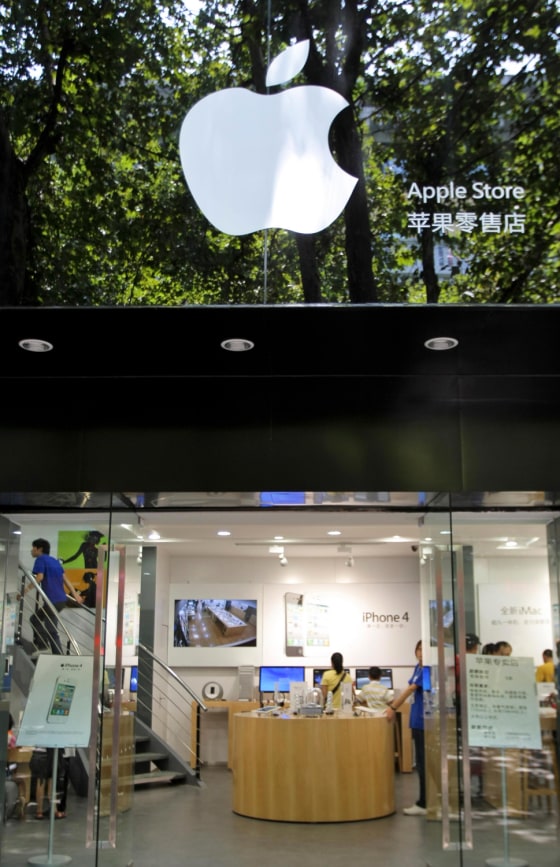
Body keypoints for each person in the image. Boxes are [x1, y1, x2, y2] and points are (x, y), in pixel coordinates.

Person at [20, 538, 83, 654]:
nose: (31, 550)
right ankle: (57, 654)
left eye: (33, 548)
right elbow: (66, 580)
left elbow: (39, 577)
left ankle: (44, 646)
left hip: (52, 601)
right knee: (51, 629)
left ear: (39, 549)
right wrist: (75, 595)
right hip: (61, 600)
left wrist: (24, 591)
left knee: (35, 620)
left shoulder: (40, 559)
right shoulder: (54, 561)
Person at [387, 640, 426, 816]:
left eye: (424, 649)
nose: (420, 652)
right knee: (421, 762)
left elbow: (411, 688)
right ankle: (425, 801)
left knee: (424, 764)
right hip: (417, 719)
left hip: (424, 721)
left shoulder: (427, 669)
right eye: (418, 649)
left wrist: (393, 707)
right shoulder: (418, 667)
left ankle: (425, 803)